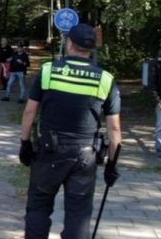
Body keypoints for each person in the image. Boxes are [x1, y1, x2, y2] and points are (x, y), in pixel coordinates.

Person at [17, 24, 122, 239]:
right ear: (91, 49)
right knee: (78, 213)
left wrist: (25, 143)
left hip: (49, 151)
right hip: (85, 154)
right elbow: (114, 128)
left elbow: (29, 112)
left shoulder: (48, 71)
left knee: (38, 206)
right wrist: (112, 164)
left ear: (70, 43)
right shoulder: (105, 79)